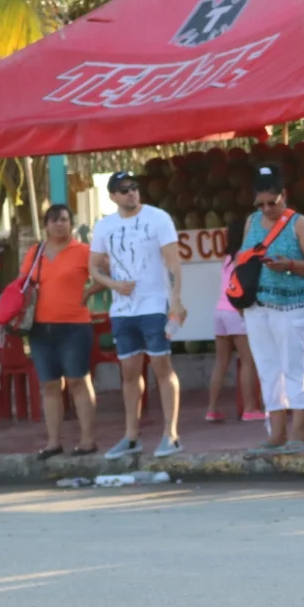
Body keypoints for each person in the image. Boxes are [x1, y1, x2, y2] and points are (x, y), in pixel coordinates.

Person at [90, 171, 186, 460]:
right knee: (129, 373)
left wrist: (175, 301)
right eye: (123, 189)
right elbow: (93, 267)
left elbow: (173, 262)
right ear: (112, 197)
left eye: (134, 187)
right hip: (122, 310)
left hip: (154, 305)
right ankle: (131, 436)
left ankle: (171, 434)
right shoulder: (104, 226)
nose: (131, 192)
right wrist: (113, 284)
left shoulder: (158, 218)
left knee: (162, 367)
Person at [239, 165, 304, 452]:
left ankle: (299, 432)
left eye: (272, 203)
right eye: (260, 204)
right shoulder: (252, 222)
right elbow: (243, 259)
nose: (266, 209)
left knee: (292, 366)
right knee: (267, 368)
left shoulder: (298, 223)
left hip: (292, 305)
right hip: (257, 307)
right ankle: (276, 432)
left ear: (284, 196)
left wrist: (289, 265)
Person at [21, 204, 97, 458]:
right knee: (50, 385)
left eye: (64, 219)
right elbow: (22, 284)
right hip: (40, 328)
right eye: (53, 220)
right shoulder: (35, 253)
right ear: (46, 225)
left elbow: (107, 274)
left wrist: (89, 292)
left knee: (78, 381)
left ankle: (87, 441)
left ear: (71, 223)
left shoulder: (84, 251)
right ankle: (53, 442)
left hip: (75, 326)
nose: (59, 224)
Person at [205, 216, 261, 423]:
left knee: (221, 362)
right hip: (236, 312)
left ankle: (212, 409)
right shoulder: (243, 257)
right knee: (248, 361)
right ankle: (250, 408)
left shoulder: (227, 258)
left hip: (219, 311)